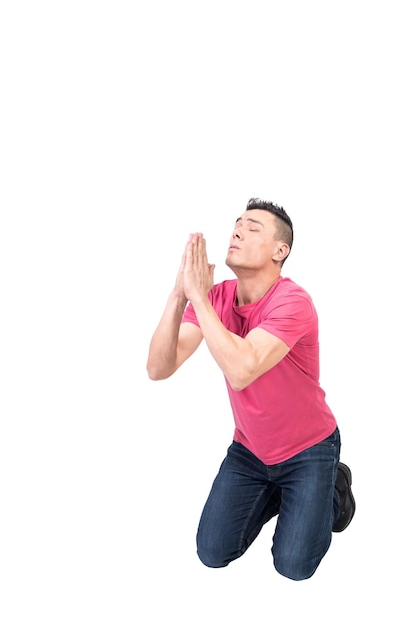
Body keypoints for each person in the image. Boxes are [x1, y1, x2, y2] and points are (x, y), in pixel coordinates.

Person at [146, 198, 355, 581]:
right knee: (212, 552)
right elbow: (159, 368)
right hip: (250, 451)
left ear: (281, 250)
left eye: (253, 227)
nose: (238, 231)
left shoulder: (293, 302)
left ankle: (332, 489)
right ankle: (281, 495)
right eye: (237, 224)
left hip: (309, 449)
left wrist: (198, 298)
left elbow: (242, 369)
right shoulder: (216, 299)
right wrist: (180, 295)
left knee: (293, 566)